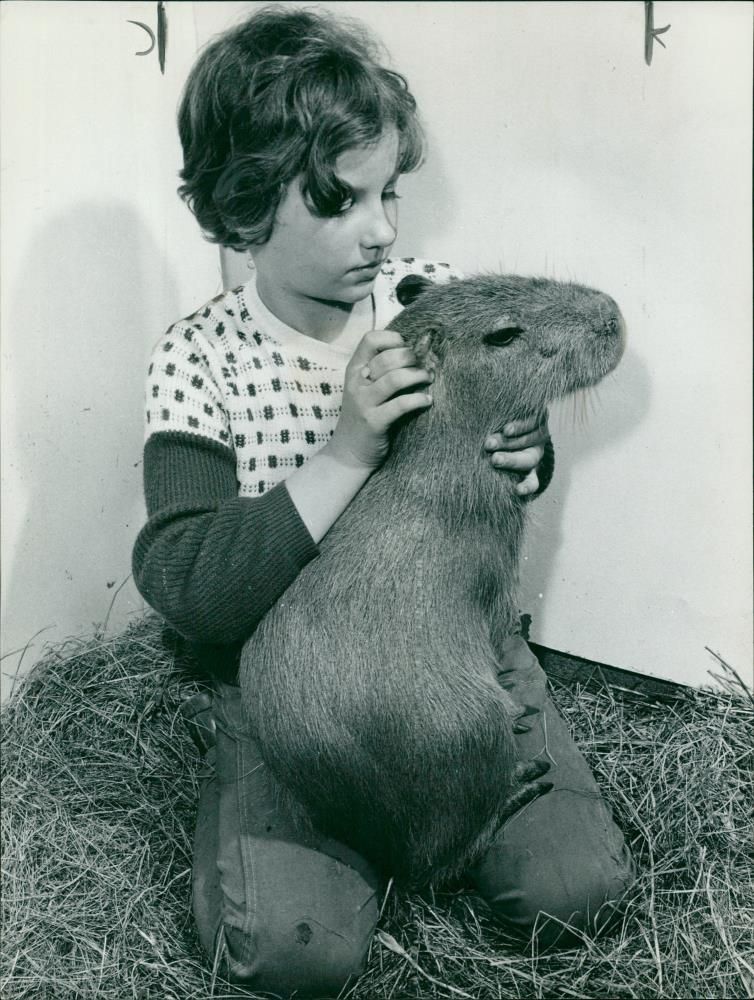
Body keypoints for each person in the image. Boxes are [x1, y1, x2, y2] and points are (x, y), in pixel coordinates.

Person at [132, 6, 635, 997]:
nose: (381, 229)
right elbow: (186, 583)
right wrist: (345, 450)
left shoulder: (426, 299)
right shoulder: (198, 362)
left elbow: (502, 448)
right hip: (300, 702)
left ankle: (466, 806)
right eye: (337, 200)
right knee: (292, 950)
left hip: (456, 654)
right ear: (243, 208)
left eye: (388, 192)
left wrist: (521, 448)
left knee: (578, 892)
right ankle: (307, 829)